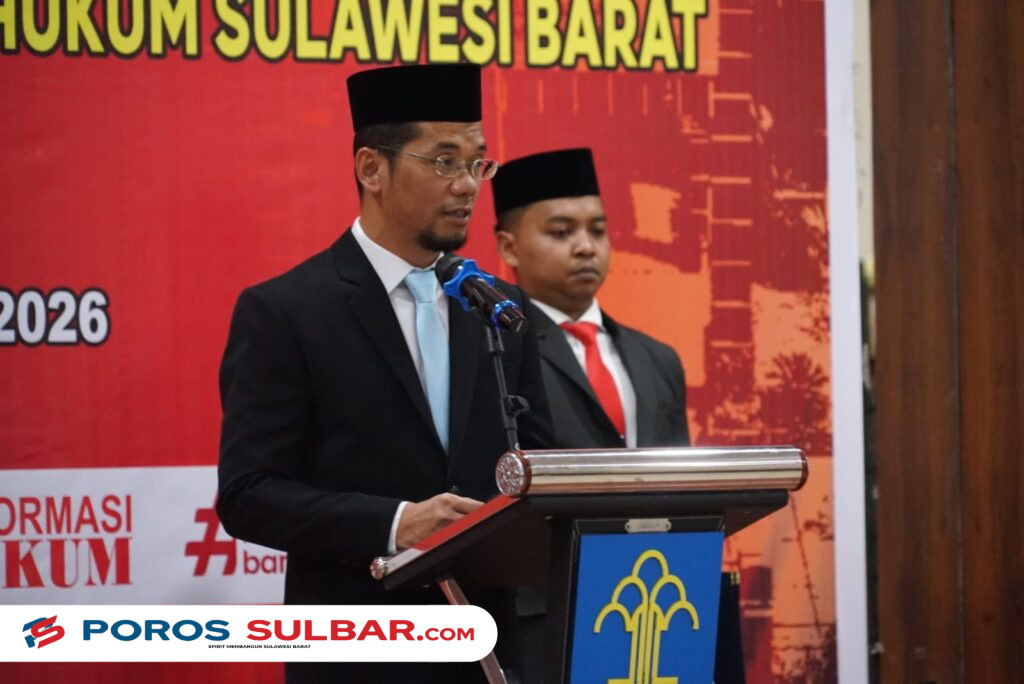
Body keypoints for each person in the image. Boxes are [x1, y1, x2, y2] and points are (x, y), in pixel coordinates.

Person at [217, 63, 551, 684]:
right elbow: (249, 495)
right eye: (444, 162)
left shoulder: (498, 307)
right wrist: (398, 522)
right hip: (358, 651)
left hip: (487, 650)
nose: (467, 185)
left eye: (477, 163)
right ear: (372, 169)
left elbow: (539, 461)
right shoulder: (287, 311)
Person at [493, 148, 690, 450]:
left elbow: (681, 473)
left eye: (598, 231)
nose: (586, 247)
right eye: (561, 232)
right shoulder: (497, 353)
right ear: (509, 248)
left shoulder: (658, 359)